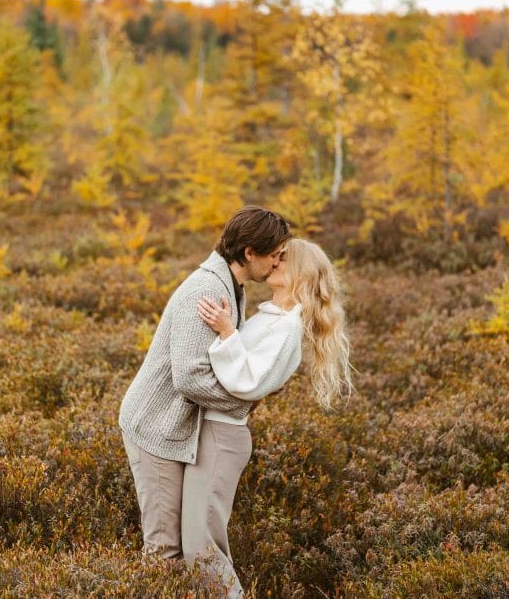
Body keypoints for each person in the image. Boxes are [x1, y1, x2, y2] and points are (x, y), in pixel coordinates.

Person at [118, 206, 292, 595]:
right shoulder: (207, 290)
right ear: (250, 253)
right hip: (156, 429)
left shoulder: (232, 287)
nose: (280, 262)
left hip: (180, 428)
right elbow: (190, 378)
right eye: (275, 254)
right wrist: (244, 403)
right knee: (164, 548)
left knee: (187, 542)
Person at [190, 238, 353, 597]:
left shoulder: (287, 328)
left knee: (202, 546)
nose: (274, 262)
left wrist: (228, 333)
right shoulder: (270, 316)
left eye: (283, 258)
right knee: (195, 542)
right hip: (211, 431)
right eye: (275, 256)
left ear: (301, 273)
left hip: (223, 438)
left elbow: (249, 381)